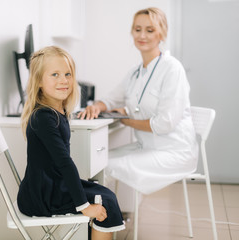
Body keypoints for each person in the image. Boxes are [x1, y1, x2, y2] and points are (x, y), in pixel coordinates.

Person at [77, 7, 199, 195]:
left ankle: (101, 221)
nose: (142, 35)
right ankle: (96, 219)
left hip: (174, 152)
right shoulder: (135, 73)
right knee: (94, 162)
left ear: (162, 33)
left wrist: (126, 120)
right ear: (132, 32)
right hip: (146, 147)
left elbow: (164, 124)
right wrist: (96, 107)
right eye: (137, 29)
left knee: (102, 166)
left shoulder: (172, 69)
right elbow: (111, 99)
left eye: (150, 30)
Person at [17, 46, 125, 240]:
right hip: (43, 196)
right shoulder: (44, 117)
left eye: (68, 74)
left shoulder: (56, 113)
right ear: (39, 81)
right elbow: (64, 163)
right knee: (105, 201)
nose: (64, 80)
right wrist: (84, 207)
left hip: (48, 186)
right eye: (55, 74)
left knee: (105, 193)